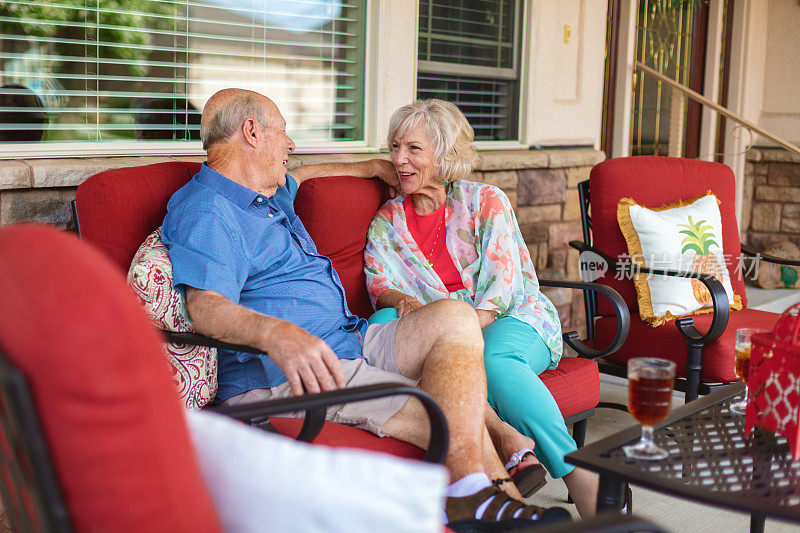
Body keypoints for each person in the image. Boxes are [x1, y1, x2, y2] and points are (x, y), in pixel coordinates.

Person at [160, 88, 570, 525]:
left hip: (350, 339)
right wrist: (277, 334)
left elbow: (305, 170)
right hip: (291, 372)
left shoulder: (262, 194)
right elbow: (205, 306)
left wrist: (372, 167)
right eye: (283, 132)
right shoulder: (210, 210)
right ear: (252, 132)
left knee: (455, 317)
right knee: (437, 405)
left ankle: (488, 493)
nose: (291, 144)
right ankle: (499, 506)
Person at [363, 99, 599, 517]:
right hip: (440, 330)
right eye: (395, 147)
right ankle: (507, 455)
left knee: (489, 358)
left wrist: (459, 332)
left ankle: (575, 471)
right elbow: (379, 281)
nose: (399, 160)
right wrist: (399, 300)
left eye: (413, 149)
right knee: (385, 329)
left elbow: (503, 284)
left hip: (512, 318)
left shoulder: (485, 201)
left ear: (446, 155)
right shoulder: (387, 219)